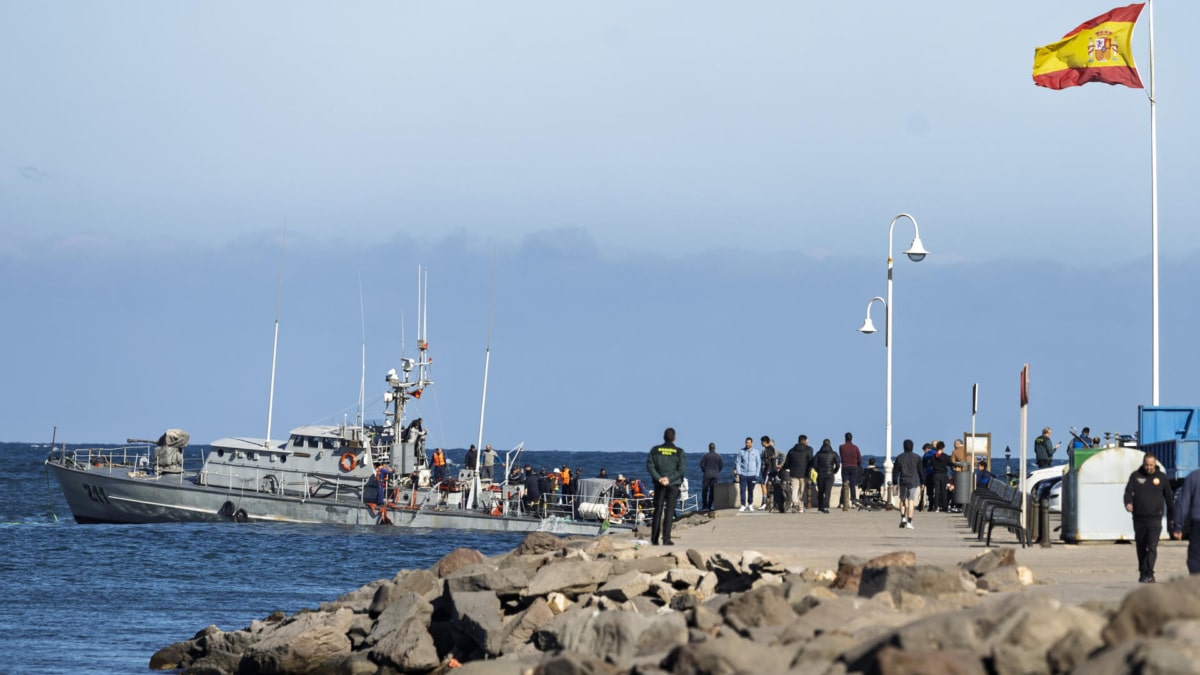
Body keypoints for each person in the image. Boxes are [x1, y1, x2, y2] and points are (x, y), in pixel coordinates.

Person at [1124, 452, 1174, 583]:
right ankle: (1142, 571)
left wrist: (1173, 516)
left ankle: (1149, 572)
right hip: (1139, 518)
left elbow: (1169, 498)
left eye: (1151, 465)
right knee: (1141, 546)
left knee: (1152, 546)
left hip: (1155, 519)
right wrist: (1128, 503)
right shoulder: (1136, 476)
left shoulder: (1161, 478)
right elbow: (1128, 493)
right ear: (1143, 463)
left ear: (1155, 464)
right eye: (1146, 465)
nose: (1148, 467)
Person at [646, 427, 686, 546]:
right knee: (670, 511)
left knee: (657, 511)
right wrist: (669, 479)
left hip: (659, 484)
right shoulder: (679, 452)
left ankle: (654, 539)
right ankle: (666, 538)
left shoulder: (655, 450)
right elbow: (681, 469)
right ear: (674, 438)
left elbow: (650, 466)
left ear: (663, 437)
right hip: (673, 484)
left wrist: (659, 478)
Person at [1171, 467, 1200, 574]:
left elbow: (1183, 503)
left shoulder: (1193, 477)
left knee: (1195, 557)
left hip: (1197, 524)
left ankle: (1196, 583)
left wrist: (1178, 527)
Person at [893, 439, 923, 529]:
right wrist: (923, 482)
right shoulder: (917, 457)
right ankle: (909, 522)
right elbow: (921, 471)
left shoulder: (899, 457)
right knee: (911, 501)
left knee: (902, 500)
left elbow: (895, 471)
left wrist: (895, 482)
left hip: (903, 481)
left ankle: (902, 518)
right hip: (913, 481)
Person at [784, 435, 814, 513]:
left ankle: (796, 503)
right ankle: (800, 506)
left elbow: (787, 463)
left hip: (794, 473)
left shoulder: (791, 450)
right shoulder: (809, 450)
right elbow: (811, 461)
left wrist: (784, 468)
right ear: (805, 441)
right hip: (804, 474)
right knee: (802, 491)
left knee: (794, 489)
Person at [813, 439, 841, 513]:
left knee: (821, 491)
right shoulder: (834, 454)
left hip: (821, 474)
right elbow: (838, 464)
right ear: (830, 444)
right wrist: (834, 471)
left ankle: (820, 506)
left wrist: (818, 470)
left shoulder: (818, 454)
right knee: (827, 491)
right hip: (830, 474)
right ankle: (825, 506)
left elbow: (814, 464)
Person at [734, 437, 761, 512]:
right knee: (742, 490)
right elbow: (738, 462)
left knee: (750, 490)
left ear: (752, 443)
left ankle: (750, 504)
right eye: (746, 442)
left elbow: (758, 463)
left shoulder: (756, 452)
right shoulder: (741, 451)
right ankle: (743, 505)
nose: (747, 444)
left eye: (749, 443)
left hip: (752, 475)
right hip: (743, 474)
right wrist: (739, 472)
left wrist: (757, 473)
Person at [699, 442, 723, 513]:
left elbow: (701, 465)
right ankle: (709, 506)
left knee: (705, 490)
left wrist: (704, 470)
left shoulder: (705, 456)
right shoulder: (718, 456)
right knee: (712, 491)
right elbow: (721, 465)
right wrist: (717, 471)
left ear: (709, 448)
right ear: (715, 448)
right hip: (715, 474)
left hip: (707, 474)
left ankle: (704, 506)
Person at [839, 432, 862, 506]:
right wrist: (857, 464)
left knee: (844, 484)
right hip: (853, 467)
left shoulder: (841, 447)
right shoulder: (855, 447)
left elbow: (842, 456)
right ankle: (853, 502)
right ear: (852, 438)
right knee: (852, 485)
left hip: (845, 466)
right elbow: (860, 459)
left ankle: (842, 502)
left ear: (845, 438)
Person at [929, 442, 952, 512]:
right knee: (944, 491)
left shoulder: (933, 456)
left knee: (936, 491)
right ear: (943, 448)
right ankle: (944, 507)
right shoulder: (945, 456)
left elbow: (930, 464)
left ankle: (936, 507)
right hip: (944, 474)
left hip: (936, 474)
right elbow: (950, 464)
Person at [759, 436, 777, 508]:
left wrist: (766, 469)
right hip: (770, 469)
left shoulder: (768, 449)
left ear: (764, 442)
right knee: (767, 485)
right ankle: (767, 502)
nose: (761, 443)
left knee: (763, 484)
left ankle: (764, 503)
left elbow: (768, 461)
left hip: (768, 470)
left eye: (761, 442)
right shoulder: (771, 449)